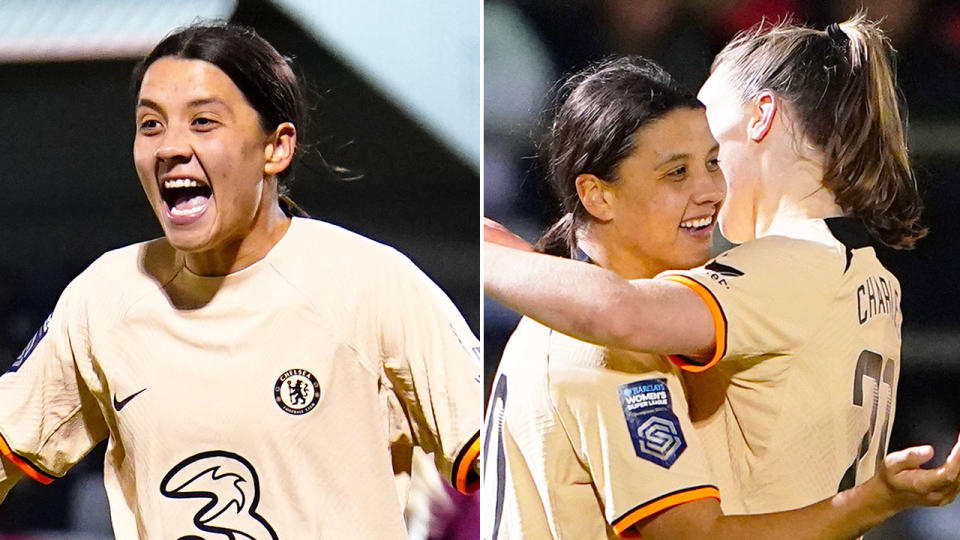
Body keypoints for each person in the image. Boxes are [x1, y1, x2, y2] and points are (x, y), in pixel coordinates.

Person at [0, 23, 480, 539]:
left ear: (276, 147)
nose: (170, 148)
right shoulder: (106, 297)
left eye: (203, 122)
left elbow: (502, 456)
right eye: (151, 125)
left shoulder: (371, 283)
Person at [484, 14, 942, 521]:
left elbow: (622, 313)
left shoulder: (786, 268)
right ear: (597, 194)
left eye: (710, 145)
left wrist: (498, 253)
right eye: (677, 170)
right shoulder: (873, 277)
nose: (709, 182)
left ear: (761, 116)